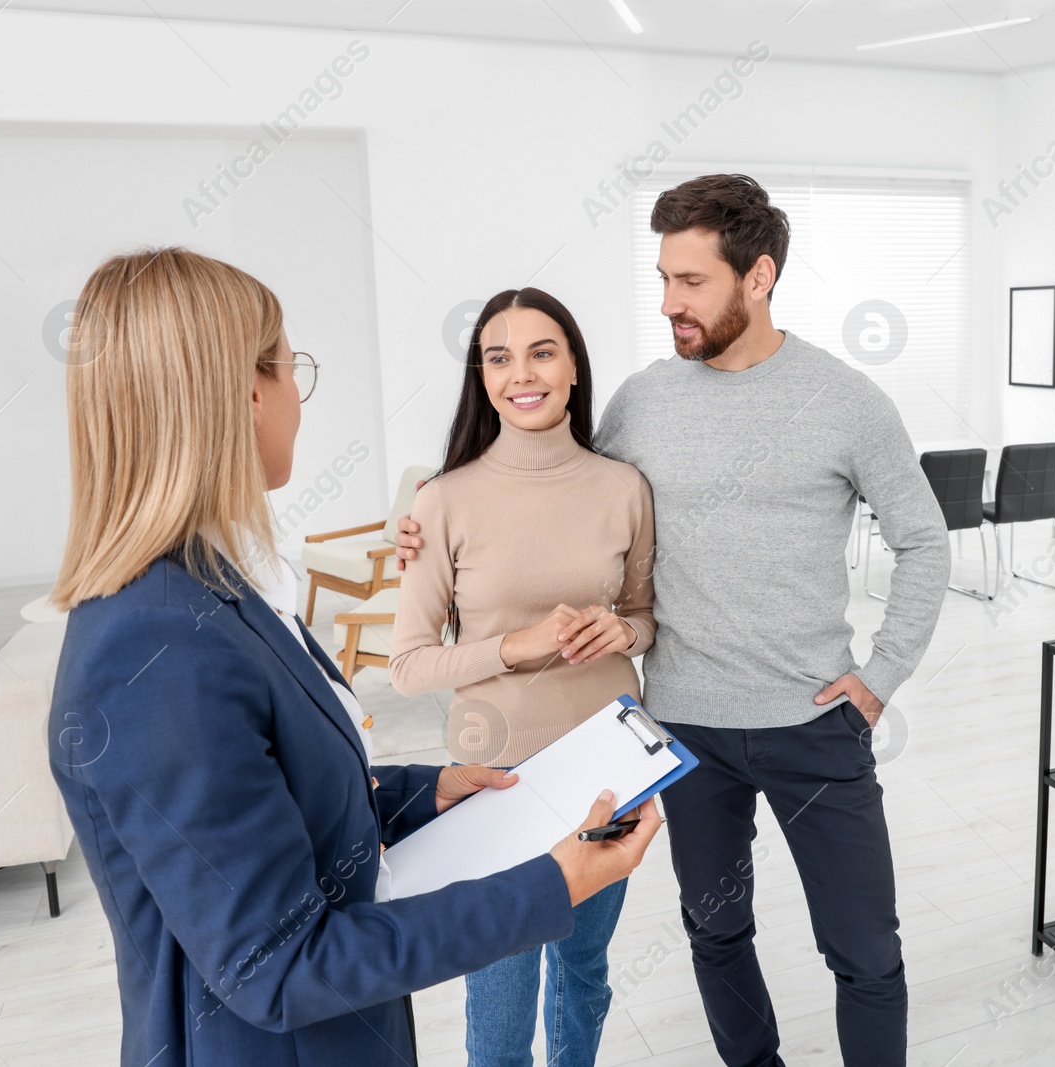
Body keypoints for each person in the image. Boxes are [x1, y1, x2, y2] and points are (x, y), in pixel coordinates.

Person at [46, 248, 660, 1067]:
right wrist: (553, 884)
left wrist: (423, 791)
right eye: (290, 366)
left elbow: (275, 802)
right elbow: (279, 964)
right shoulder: (154, 645)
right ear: (245, 392)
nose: (298, 397)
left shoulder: (219, 587)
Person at [397, 175, 950, 1066]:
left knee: (865, 954)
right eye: (661, 279)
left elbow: (926, 541)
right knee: (716, 933)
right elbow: (559, 492)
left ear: (759, 275)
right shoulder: (644, 400)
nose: (669, 304)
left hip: (816, 723)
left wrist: (879, 678)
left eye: (690, 282)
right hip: (681, 729)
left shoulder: (846, 401)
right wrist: (423, 520)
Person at [388, 287, 656, 1067]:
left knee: (585, 972)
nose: (521, 373)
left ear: (574, 366)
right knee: (501, 1000)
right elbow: (407, 666)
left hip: (610, 767)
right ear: (482, 377)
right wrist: (518, 645)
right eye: (498, 357)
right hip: (497, 780)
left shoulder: (623, 487)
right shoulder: (441, 501)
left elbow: (645, 613)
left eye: (542, 351)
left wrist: (624, 629)